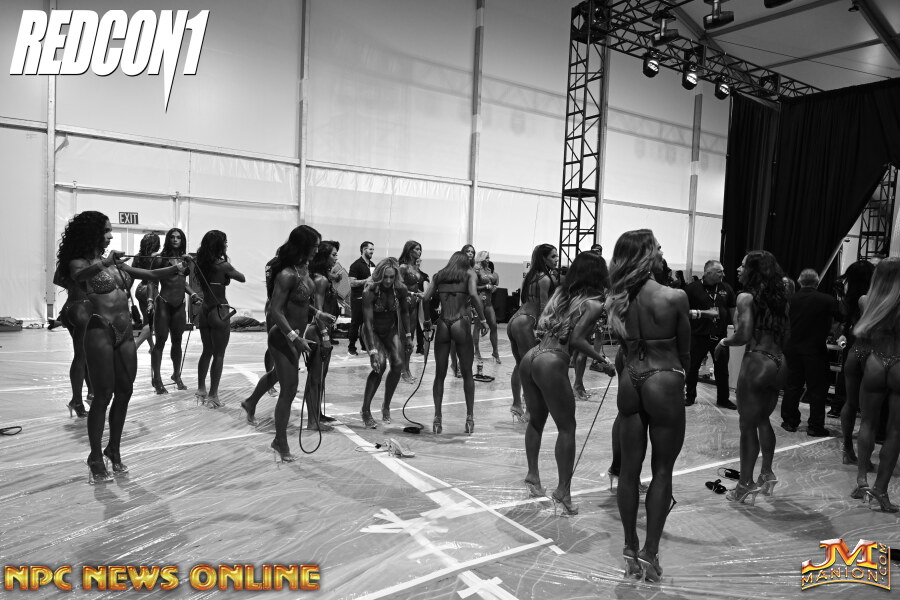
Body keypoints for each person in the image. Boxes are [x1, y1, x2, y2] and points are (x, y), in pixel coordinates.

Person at [56, 211, 185, 482]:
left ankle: (113, 449)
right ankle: (94, 457)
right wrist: (105, 262)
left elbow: (150, 273)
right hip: (100, 330)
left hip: (125, 333)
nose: (110, 235)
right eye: (105, 231)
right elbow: (79, 277)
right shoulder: (80, 262)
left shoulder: (116, 264)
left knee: (125, 392)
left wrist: (177, 268)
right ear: (92, 234)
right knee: (103, 396)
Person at [605, 229, 689, 582]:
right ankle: (650, 552)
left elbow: (621, 350)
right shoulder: (674, 296)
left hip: (631, 380)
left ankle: (629, 545)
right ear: (647, 254)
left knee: (629, 472)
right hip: (664, 377)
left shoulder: (617, 299)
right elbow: (685, 352)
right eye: (657, 247)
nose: (661, 251)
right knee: (663, 470)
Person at [518, 252, 614, 515]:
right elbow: (578, 340)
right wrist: (603, 361)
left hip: (532, 356)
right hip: (552, 361)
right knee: (567, 428)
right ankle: (563, 491)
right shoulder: (593, 304)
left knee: (536, 421)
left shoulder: (561, 294)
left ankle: (533, 476)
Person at [714, 251, 789, 504]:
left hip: (757, 361)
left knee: (747, 427)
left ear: (754, 270)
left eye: (743, 265)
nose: (738, 268)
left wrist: (724, 341)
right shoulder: (782, 298)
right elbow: (786, 333)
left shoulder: (746, 297)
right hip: (779, 362)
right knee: (763, 420)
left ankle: (744, 484)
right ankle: (767, 472)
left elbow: (743, 335)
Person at [242, 225, 323, 461]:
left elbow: (300, 303)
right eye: (314, 246)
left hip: (295, 335)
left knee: (279, 375)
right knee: (289, 389)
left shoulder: (303, 270)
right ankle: (280, 441)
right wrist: (295, 338)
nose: (317, 250)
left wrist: (318, 313)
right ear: (303, 246)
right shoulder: (287, 274)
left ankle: (250, 402)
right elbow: (276, 311)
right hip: (283, 336)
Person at [850, 257, 900, 512]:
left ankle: (861, 481)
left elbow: (864, 336)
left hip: (875, 362)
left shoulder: (866, 301)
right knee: (895, 432)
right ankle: (880, 490)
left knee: (867, 422)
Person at [422, 251, 487, 434]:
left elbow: (425, 298)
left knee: (439, 374)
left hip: (443, 323)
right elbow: (473, 295)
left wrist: (427, 320)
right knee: (467, 374)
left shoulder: (439, 275)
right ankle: (469, 418)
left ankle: (437, 419)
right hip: (461, 322)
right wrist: (483, 320)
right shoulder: (469, 274)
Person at [779, 269, 842, 437]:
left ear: (800, 282)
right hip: (815, 349)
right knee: (817, 389)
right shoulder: (827, 300)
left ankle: (789, 421)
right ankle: (815, 426)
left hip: (793, 348)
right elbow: (841, 318)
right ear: (817, 282)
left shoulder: (790, 300)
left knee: (793, 386)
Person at [193, 230, 245, 408]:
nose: (227, 245)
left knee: (206, 351)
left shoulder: (200, 263)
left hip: (205, 309)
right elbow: (242, 278)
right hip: (219, 309)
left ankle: (201, 388)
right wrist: (228, 270)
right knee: (219, 354)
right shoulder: (223, 265)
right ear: (219, 245)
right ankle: (213, 395)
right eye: (225, 242)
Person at [507, 244, 559, 422]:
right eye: (553, 256)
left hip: (515, 319)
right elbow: (544, 306)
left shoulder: (529, 277)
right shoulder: (545, 279)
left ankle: (517, 404)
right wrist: (543, 329)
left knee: (520, 365)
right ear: (544, 258)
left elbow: (524, 299)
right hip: (527, 321)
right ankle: (529, 410)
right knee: (530, 367)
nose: (556, 259)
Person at [359, 258, 411, 427]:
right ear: (379, 276)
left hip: (390, 330)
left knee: (398, 364)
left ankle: (386, 406)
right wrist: (372, 351)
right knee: (379, 365)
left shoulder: (400, 289)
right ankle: (365, 410)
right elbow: (367, 323)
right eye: (385, 277)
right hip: (372, 331)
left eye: (391, 277)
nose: (388, 281)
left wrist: (408, 336)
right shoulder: (370, 291)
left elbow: (405, 313)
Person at [149, 228, 201, 394]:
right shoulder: (159, 259)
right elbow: (152, 281)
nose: (175, 239)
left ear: (182, 240)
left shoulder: (184, 259)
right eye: (172, 237)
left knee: (177, 342)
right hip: (163, 303)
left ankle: (176, 374)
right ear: (168, 239)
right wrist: (150, 300)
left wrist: (193, 294)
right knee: (160, 341)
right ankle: (157, 379)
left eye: (178, 237)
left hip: (179, 305)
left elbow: (182, 282)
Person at [837, 260, 876, 465]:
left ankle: (847, 448)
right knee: (869, 413)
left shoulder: (850, 299)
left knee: (850, 403)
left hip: (854, 351)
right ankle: (864, 462)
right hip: (873, 353)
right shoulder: (873, 298)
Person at [684, 260, 737, 409]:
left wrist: (736, 329)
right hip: (698, 335)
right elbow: (682, 312)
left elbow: (733, 311)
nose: (723, 274)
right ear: (708, 273)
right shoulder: (691, 289)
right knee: (692, 367)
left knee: (722, 369)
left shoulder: (726, 288)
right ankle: (690, 397)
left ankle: (723, 399)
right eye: (720, 272)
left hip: (720, 336)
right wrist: (703, 313)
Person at [305, 241, 342, 428]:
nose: (336, 258)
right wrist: (326, 336)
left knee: (320, 377)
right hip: (318, 331)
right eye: (333, 254)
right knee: (315, 378)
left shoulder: (322, 277)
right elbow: (318, 311)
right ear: (324, 257)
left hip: (322, 331)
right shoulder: (320, 280)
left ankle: (317, 415)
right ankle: (312, 421)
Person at [54, 260, 94, 418]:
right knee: (82, 355)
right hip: (83, 307)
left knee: (84, 354)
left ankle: (88, 395)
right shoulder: (86, 261)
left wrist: (73, 285)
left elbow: (57, 279)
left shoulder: (69, 260)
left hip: (70, 306)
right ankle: (78, 400)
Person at [398, 240, 425, 383]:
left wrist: (419, 293)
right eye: (416, 249)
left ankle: (407, 368)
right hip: (404, 304)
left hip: (415, 304)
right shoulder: (403, 267)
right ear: (409, 251)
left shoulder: (415, 267)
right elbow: (398, 287)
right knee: (404, 338)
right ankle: (402, 370)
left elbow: (414, 286)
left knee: (411, 338)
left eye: (420, 249)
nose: (419, 252)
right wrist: (412, 294)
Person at [450, 244, 478, 378]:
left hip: (467, 307)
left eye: (472, 252)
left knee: (466, 337)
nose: (470, 253)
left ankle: (461, 365)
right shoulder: (455, 269)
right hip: (454, 306)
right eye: (468, 251)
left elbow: (473, 292)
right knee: (454, 338)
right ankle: (454, 363)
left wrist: (474, 307)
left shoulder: (473, 271)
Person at [132, 233, 161, 350]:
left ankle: (152, 346)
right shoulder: (157, 256)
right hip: (151, 289)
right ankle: (136, 345)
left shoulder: (137, 256)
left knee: (146, 320)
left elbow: (132, 273)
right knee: (154, 322)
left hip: (140, 289)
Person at [347, 241, 376, 356]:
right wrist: (366, 281)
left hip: (369, 298)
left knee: (367, 322)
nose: (372, 252)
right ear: (364, 250)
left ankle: (364, 346)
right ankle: (351, 347)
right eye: (370, 249)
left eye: (373, 249)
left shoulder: (373, 265)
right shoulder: (356, 265)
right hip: (358, 298)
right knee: (355, 323)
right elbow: (352, 283)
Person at [473, 250, 501, 364]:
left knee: (494, 326)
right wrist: (485, 286)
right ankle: (476, 351)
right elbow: (473, 287)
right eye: (486, 257)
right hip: (479, 300)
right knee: (477, 327)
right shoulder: (476, 270)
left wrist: (493, 287)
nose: (488, 259)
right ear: (481, 258)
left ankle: (495, 352)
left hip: (489, 302)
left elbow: (494, 285)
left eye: (489, 257)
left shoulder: (490, 271)